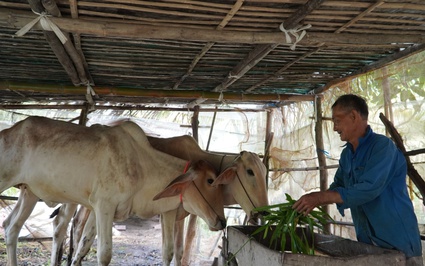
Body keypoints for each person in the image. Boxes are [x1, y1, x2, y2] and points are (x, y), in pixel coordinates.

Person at [293, 94, 423, 265]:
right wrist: (309, 202)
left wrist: (319, 198)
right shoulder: (347, 154)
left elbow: (368, 189)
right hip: (369, 245)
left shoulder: (382, 147)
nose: (334, 128)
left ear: (353, 116)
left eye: (337, 121)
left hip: (398, 245)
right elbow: (337, 187)